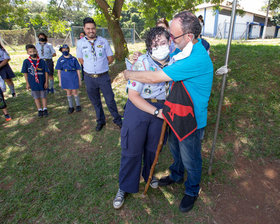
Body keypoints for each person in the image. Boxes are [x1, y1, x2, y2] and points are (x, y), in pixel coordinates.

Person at [124, 11, 213, 213]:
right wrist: (142, 56)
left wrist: (130, 73)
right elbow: (162, 58)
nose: (171, 40)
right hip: (175, 112)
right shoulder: (182, 51)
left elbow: (156, 77)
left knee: (191, 156)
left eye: (173, 36)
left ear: (189, 37)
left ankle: (191, 190)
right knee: (174, 147)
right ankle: (176, 174)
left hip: (191, 119)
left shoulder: (195, 59)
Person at [113, 27, 171, 210]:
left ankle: (149, 174)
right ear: (149, 47)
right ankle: (125, 186)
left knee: (154, 148)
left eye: (163, 42)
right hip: (139, 107)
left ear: (169, 42)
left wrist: (161, 111)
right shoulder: (141, 63)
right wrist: (156, 112)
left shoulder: (176, 62)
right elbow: (133, 95)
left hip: (162, 108)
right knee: (132, 148)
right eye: (155, 44)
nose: (160, 47)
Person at [76, 17, 122, 131]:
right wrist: (91, 68)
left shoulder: (103, 41)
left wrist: (101, 66)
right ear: (84, 29)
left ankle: (117, 119)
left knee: (110, 99)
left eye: (92, 28)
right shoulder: (80, 43)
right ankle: (100, 121)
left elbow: (110, 58)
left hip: (103, 77)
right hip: (89, 78)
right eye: (88, 29)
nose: (91, 31)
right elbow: (81, 59)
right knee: (95, 101)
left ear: (95, 29)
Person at [22, 44, 49, 117]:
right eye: (30, 52)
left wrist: (46, 82)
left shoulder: (42, 61)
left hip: (42, 81)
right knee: (36, 97)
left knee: (43, 96)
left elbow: (46, 72)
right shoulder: (26, 62)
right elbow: (25, 73)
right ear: (28, 53)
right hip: (33, 82)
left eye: (34, 51)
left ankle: (45, 108)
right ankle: (39, 109)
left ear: (36, 51)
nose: (33, 53)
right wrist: (27, 83)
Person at [56, 44, 82, 114]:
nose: (65, 51)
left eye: (66, 49)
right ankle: (71, 107)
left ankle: (78, 105)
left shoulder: (73, 59)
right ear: (61, 50)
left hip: (73, 76)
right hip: (65, 77)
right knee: (68, 92)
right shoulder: (60, 59)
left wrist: (79, 80)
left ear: (68, 49)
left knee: (75, 92)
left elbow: (78, 70)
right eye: (63, 50)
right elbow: (59, 71)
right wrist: (60, 81)